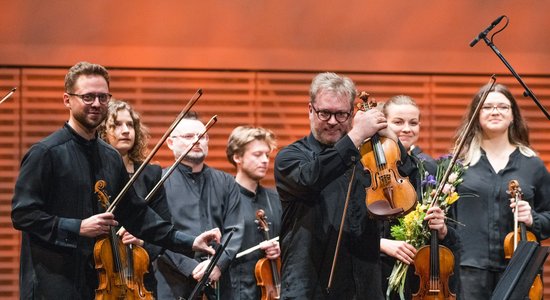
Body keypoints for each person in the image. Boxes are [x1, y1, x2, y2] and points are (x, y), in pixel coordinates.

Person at [11, 61, 220, 300]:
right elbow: (23, 214)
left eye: (103, 97)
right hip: (53, 284)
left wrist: (189, 241)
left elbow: (137, 214)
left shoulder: (110, 157)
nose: (97, 104)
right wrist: (77, 227)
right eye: (88, 97)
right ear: (67, 100)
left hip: (100, 285)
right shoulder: (46, 153)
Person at [274, 72, 418, 299]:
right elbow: (311, 179)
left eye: (341, 114)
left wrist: (391, 138)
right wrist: (357, 135)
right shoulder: (291, 157)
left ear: (352, 113)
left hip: (364, 286)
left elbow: (410, 182)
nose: (332, 121)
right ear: (310, 110)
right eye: (325, 113)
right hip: (309, 286)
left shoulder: (368, 159)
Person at [449, 83, 550, 299]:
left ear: (513, 116)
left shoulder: (532, 165)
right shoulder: (458, 165)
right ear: (477, 115)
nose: (495, 111)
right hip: (469, 270)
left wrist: (533, 220)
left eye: (503, 107)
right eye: (487, 107)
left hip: (520, 269)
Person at [154, 111, 244, 299]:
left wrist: (217, 265)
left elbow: (235, 230)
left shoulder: (227, 182)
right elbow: (157, 235)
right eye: (188, 136)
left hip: (219, 281)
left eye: (202, 136)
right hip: (173, 282)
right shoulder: (158, 182)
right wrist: (193, 269)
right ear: (171, 143)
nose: (197, 141)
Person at [378, 95, 457, 299]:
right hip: (376, 270)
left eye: (413, 123)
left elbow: (454, 237)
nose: (407, 128)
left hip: (418, 277)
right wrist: (381, 243)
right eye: (398, 122)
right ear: (382, 123)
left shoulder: (429, 169)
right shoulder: (367, 166)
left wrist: (442, 229)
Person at [98, 99, 170, 298]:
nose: (126, 130)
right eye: (117, 125)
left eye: (130, 125)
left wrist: (143, 241)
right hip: (101, 276)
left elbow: (163, 225)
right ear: (102, 131)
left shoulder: (151, 174)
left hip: (140, 278)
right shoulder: (93, 172)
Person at [225, 125, 282, 299]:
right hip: (235, 291)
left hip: (271, 289)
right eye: (257, 155)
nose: (265, 160)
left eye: (267, 154)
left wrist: (281, 248)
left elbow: (289, 238)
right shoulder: (224, 199)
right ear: (237, 157)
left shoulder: (275, 199)